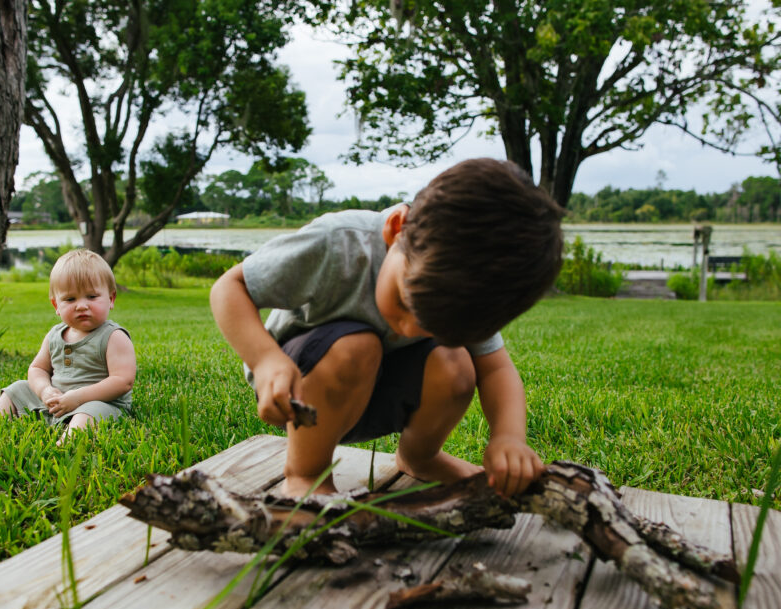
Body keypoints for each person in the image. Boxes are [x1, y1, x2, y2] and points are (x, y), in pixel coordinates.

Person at [210, 158, 563, 498]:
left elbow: (496, 368)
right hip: (297, 388)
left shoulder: (472, 287)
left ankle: (419, 458)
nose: (409, 330)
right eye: (405, 302)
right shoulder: (341, 242)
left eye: (433, 327)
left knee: (456, 363)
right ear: (396, 229)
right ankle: (306, 475)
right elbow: (230, 287)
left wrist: (509, 437)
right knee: (358, 345)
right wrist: (265, 360)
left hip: (379, 392)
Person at [0, 248, 136, 441]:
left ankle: (67, 443)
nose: (82, 305)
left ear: (111, 299)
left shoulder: (113, 337)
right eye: (70, 299)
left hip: (100, 401)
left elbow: (123, 381)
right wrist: (44, 390)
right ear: (56, 305)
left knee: (88, 415)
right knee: (17, 388)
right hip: (58, 399)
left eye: (91, 297)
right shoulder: (55, 335)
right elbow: (37, 368)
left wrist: (77, 398)